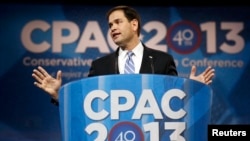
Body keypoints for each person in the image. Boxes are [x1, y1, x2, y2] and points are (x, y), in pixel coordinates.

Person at [32, 5, 215, 105]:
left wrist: (191, 89)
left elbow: (173, 101)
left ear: (134, 25)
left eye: (118, 22)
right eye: (110, 25)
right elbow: (87, 105)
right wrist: (59, 96)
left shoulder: (162, 60)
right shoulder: (100, 66)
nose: (112, 28)